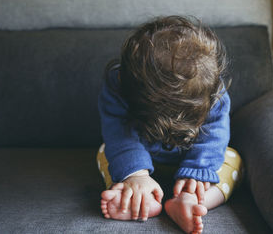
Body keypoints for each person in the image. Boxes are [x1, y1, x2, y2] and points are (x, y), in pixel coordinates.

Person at [96, 15, 243, 234]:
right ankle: (139, 198)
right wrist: (136, 175)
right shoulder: (119, 84)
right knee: (105, 152)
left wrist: (197, 172)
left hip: (192, 157)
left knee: (233, 160)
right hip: (140, 156)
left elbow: (215, 134)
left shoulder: (214, 92)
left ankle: (193, 202)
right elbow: (119, 132)